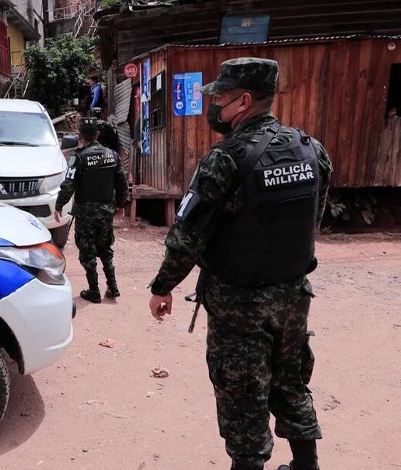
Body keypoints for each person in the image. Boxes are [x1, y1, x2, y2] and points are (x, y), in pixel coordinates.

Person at [147, 58, 332, 470]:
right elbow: (313, 219)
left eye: (220, 98)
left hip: (240, 304)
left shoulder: (226, 159)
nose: (215, 107)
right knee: (290, 381)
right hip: (293, 296)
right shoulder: (311, 149)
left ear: (244, 101)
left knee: (244, 397)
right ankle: (307, 465)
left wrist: (163, 286)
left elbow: (187, 236)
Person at [54, 117, 129, 303]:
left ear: (80, 136)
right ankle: (113, 287)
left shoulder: (78, 157)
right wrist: (121, 204)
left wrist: (59, 205)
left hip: (85, 214)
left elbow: (68, 185)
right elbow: (122, 183)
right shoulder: (113, 155)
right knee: (105, 249)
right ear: (98, 134)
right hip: (106, 212)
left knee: (87, 253)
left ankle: (94, 291)